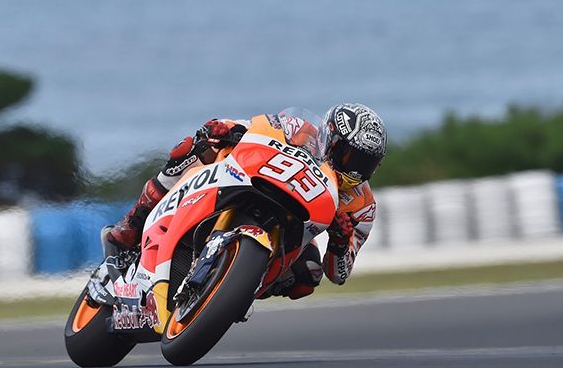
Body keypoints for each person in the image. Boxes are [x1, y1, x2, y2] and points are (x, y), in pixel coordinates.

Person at [103, 103, 387, 300]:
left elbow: (339, 273)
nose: (356, 170)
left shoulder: (363, 205)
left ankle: (237, 289)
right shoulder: (301, 129)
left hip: (293, 225)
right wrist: (226, 128)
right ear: (332, 139)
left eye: (367, 163)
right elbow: (254, 126)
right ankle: (133, 223)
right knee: (191, 148)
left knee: (309, 275)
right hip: (255, 180)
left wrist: (341, 238)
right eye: (352, 157)